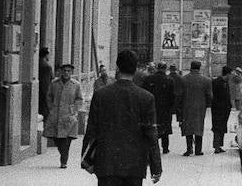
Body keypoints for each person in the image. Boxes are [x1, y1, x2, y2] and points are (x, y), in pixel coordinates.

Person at [82, 49, 162, 185]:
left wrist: (86, 160)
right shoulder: (146, 98)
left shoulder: (101, 95)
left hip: (106, 163)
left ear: (117, 67)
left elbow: (91, 129)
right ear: (135, 69)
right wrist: (156, 166)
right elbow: (151, 135)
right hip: (135, 165)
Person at [44, 62, 84, 167]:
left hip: (69, 117)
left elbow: (79, 99)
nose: (66, 73)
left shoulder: (76, 85)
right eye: (64, 71)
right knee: (57, 139)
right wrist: (51, 108)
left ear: (71, 72)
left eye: (68, 71)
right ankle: (63, 156)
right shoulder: (54, 83)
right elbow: (49, 97)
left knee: (67, 140)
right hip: (56, 116)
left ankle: (64, 161)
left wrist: (74, 110)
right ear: (61, 71)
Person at [179, 60, 213, 156]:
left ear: (191, 67)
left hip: (187, 106)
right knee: (199, 127)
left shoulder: (184, 79)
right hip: (200, 107)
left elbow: (180, 95)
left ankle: (189, 149)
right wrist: (207, 104)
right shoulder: (206, 80)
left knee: (188, 127)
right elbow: (210, 95)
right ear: (199, 67)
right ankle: (198, 150)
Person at [143, 62, 176, 154]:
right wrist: (171, 108)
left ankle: (153, 146)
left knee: (153, 126)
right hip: (165, 108)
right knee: (165, 128)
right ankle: (165, 148)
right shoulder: (169, 80)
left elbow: (144, 93)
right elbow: (172, 96)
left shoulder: (149, 79)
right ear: (165, 69)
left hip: (152, 107)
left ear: (157, 68)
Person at [211, 65, 233, 153]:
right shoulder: (216, 82)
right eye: (230, 74)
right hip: (218, 108)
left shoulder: (226, 82)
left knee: (222, 127)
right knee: (217, 127)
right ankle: (216, 146)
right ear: (227, 74)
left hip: (225, 109)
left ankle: (219, 145)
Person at [38, 47, 54, 123]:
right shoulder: (47, 67)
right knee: (45, 115)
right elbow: (46, 84)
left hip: (38, 94)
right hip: (44, 95)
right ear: (46, 55)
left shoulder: (37, 64)